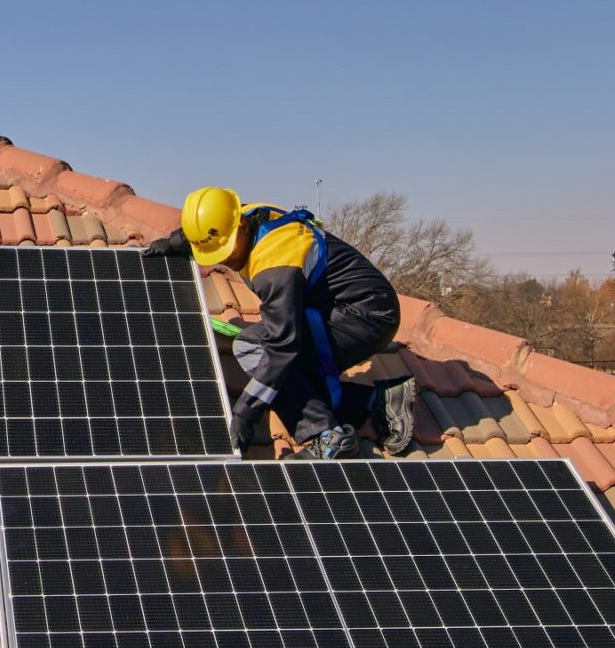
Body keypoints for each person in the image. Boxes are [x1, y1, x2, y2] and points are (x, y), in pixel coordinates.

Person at [144, 187, 415, 459]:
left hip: (366, 318)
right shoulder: (247, 215)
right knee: (292, 384)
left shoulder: (275, 265)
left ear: (241, 225)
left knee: (254, 351)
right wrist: (176, 242)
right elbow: (210, 229)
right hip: (341, 307)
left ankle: (325, 436)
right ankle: (376, 401)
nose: (222, 259)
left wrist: (245, 411)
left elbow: (282, 347)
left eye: (224, 250)